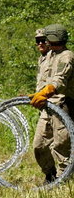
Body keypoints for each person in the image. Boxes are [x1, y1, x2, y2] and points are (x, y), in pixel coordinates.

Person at [30, 24, 74, 183]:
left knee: (61, 146)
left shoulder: (67, 56)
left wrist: (45, 92)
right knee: (39, 145)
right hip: (46, 108)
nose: (42, 42)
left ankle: (65, 179)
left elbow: (59, 81)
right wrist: (36, 95)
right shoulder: (48, 56)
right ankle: (50, 175)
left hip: (62, 107)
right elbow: (44, 80)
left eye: (45, 39)